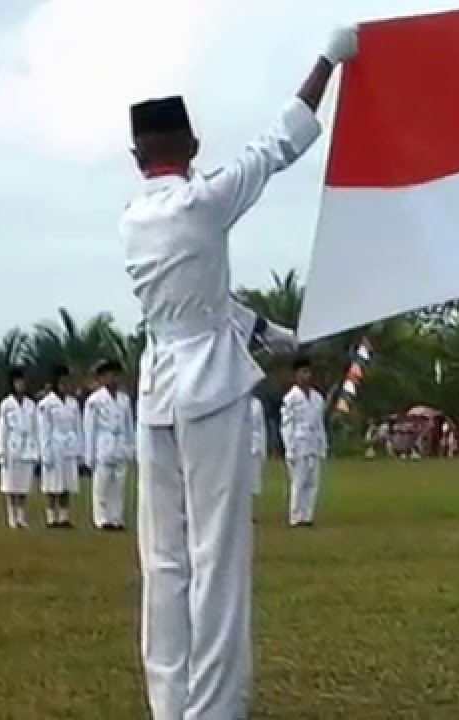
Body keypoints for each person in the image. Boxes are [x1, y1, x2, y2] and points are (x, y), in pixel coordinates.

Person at [122, 25, 356, 718]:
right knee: (217, 557)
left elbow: (207, 300)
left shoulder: (133, 219)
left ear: (137, 158)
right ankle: (214, 708)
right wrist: (327, 61)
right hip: (207, 386)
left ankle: (170, 704)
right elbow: (278, 143)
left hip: (158, 388)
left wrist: (271, 333)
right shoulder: (204, 201)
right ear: (192, 147)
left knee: (163, 561)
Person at [83, 359, 134, 531]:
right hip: (103, 444)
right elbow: (90, 428)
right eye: (109, 375)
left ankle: (116, 517)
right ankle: (101, 518)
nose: (113, 379)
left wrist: (131, 447)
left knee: (119, 485)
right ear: (102, 378)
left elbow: (129, 425)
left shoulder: (124, 399)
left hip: (120, 445)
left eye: (115, 375)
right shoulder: (94, 400)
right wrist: (89, 455)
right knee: (102, 485)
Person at [281, 356, 328, 527]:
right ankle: (295, 516)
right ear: (296, 375)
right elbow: (287, 424)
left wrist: (323, 445)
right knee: (299, 481)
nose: (307, 376)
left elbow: (320, 423)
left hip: (313, 442)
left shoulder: (317, 398)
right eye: (303, 372)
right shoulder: (290, 398)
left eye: (308, 372)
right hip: (298, 442)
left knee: (312, 482)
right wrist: (289, 448)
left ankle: (307, 515)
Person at [38, 365, 83, 529]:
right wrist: (45, 452)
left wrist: (79, 449)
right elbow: (44, 429)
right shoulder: (46, 404)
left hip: (69, 444)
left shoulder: (73, 403)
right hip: (54, 445)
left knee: (67, 482)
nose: (65, 385)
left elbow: (78, 427)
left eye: (67, 381)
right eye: (62, 382)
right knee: (52, 484)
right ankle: (51, 517)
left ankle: (64, 517)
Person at [0, 368, 39, 529]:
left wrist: (36, 449)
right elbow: (2, 428)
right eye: (18, 382)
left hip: (27, 447)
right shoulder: (6, 404)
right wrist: (1, 451)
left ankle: (21, 516)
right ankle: (12, 516)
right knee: (11, 484)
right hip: (11, 447)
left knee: (23, 485)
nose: (21, 385)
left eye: (23, 382)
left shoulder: (31, 404)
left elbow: (35, 428)